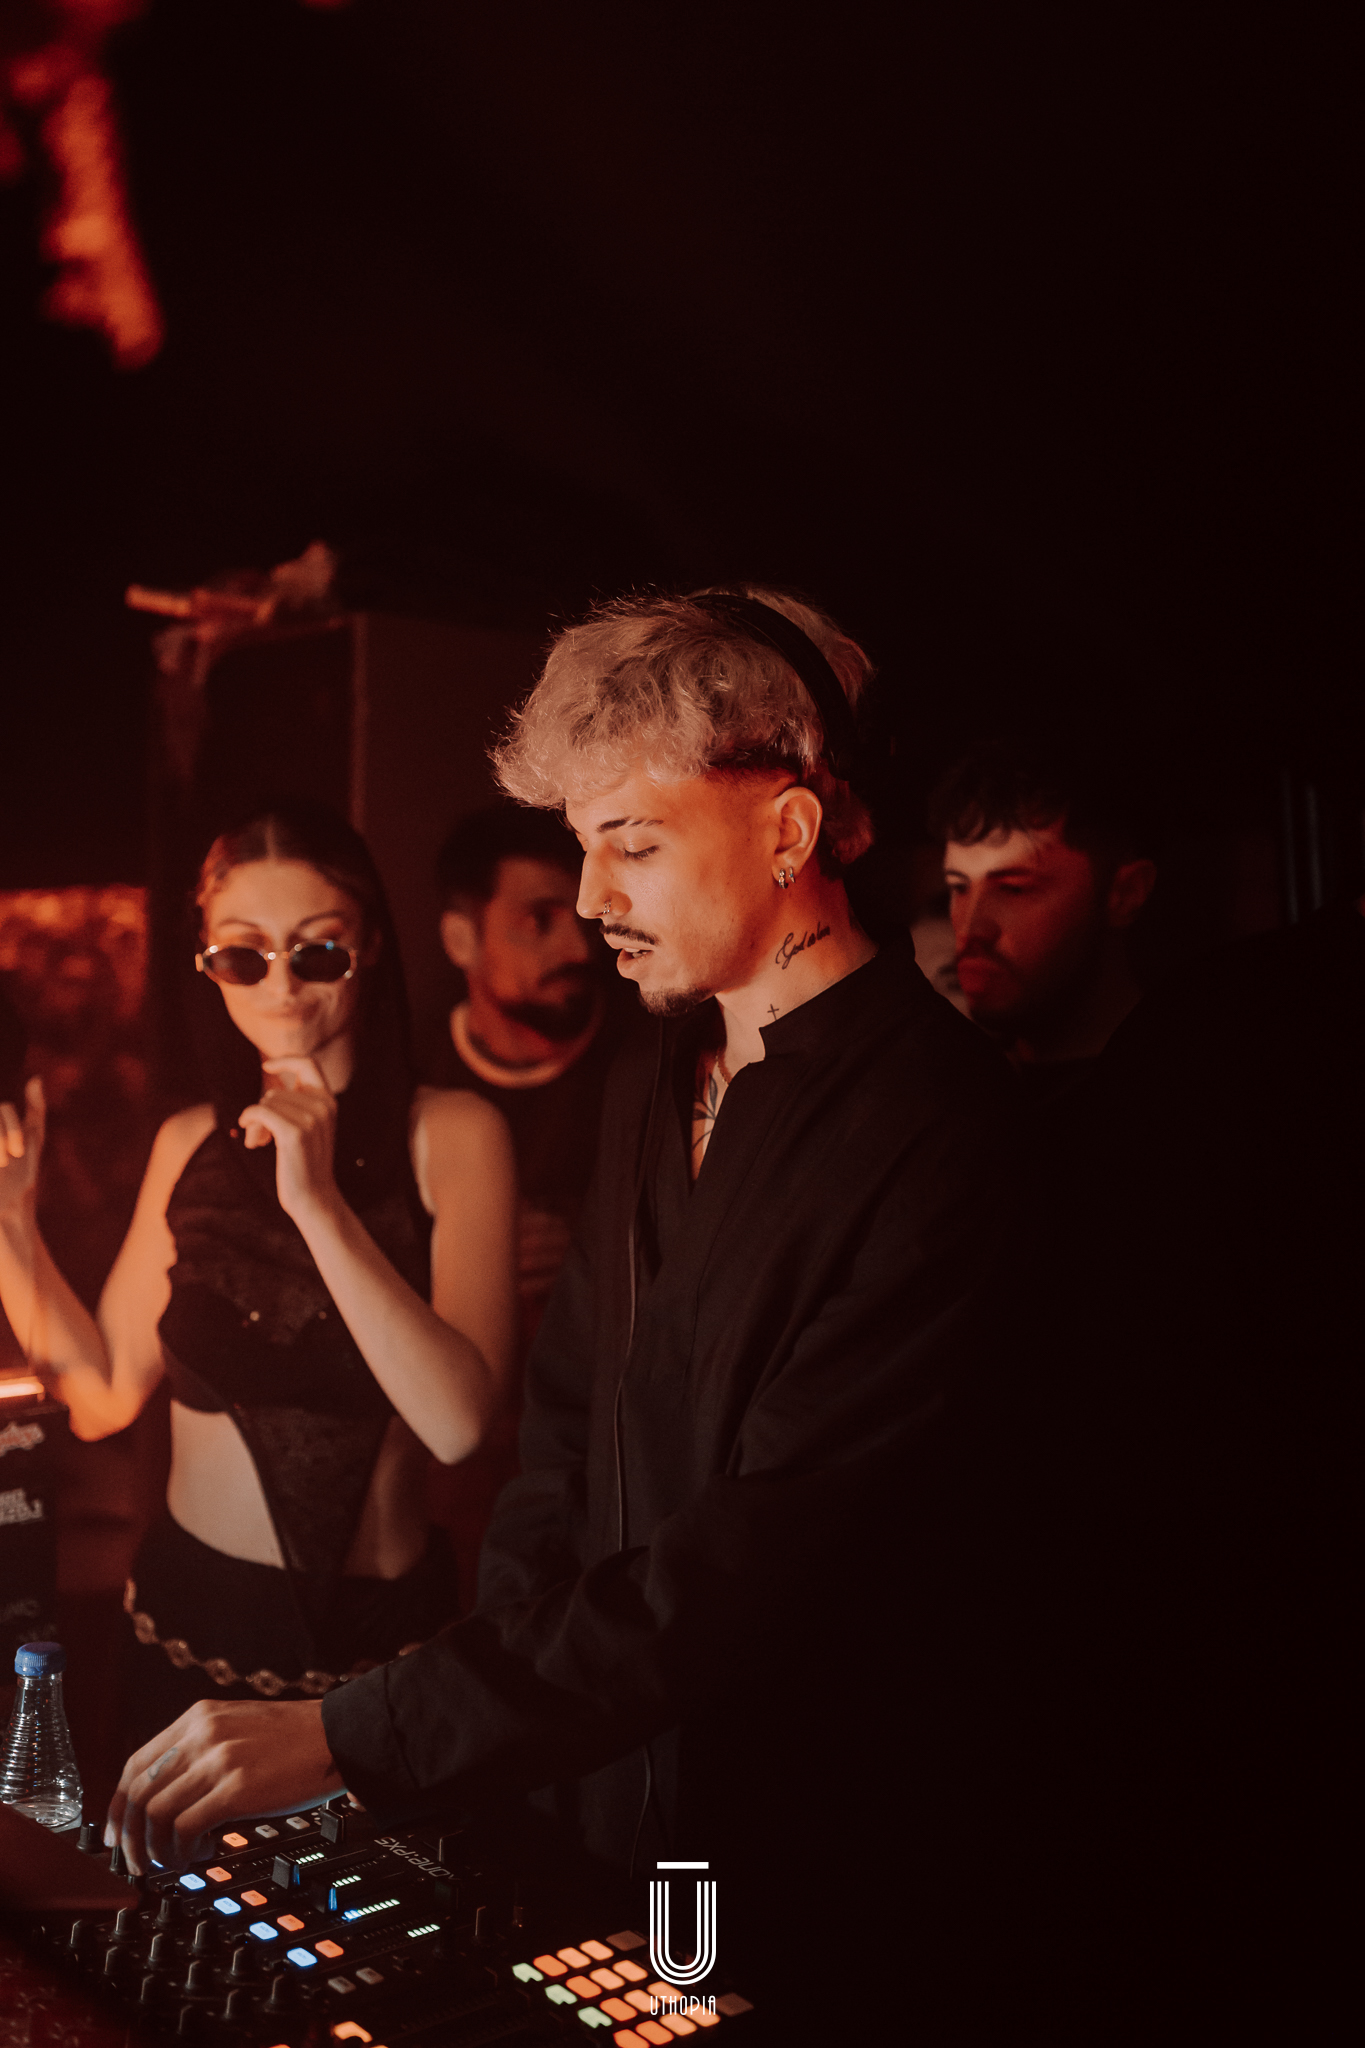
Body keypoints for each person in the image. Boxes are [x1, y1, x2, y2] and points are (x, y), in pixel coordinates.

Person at [106, 589, 1015, 2023]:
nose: (591, 899)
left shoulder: (937, 1124)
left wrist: (366, 1727)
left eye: (632, 844)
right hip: (594, 1800)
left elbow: (749, 1562)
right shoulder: (654, 1073)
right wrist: (510, 1765)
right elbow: (564, 1435)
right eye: (582, 845)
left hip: (796, 1838)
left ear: (789, 831)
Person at [0, 801, 516, 1747]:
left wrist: (317, 1203)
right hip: (183, 1626)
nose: (280, 987)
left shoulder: (452, 1135)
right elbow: (104, 1397)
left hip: (374, 1656)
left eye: (316, 951)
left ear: (368, 947)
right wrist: (8, 1222)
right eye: (244, 955)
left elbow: (458, 1426)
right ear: (208, 964)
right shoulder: (188, 1143)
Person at [422, 804, 627, 1604]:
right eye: (538, 921)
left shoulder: (647, 1065)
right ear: (460, 939)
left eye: (579, 915)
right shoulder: (411, 1081)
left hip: (600, 1474)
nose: (577, 947)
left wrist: (588, 1245)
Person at [930, 738, 1158, 1089]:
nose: (972, 927)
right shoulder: (956, 1087)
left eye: (1014, 889)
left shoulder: (1184, 1094)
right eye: (959, 886)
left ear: (1125, 895)